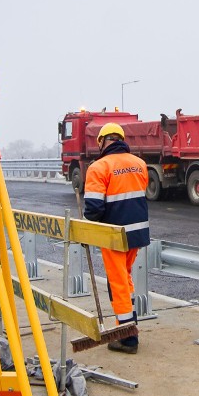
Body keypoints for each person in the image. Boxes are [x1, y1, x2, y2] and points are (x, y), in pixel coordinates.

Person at [83, 122, 150, 354]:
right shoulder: (139, 163)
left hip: (113, 235)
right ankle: (129, 323)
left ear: (102, 141)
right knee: (126, 279)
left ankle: (128, 338)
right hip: (137, 233)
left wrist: (86, 228)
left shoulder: (99, 167)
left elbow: (93, 208)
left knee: (118, 283)